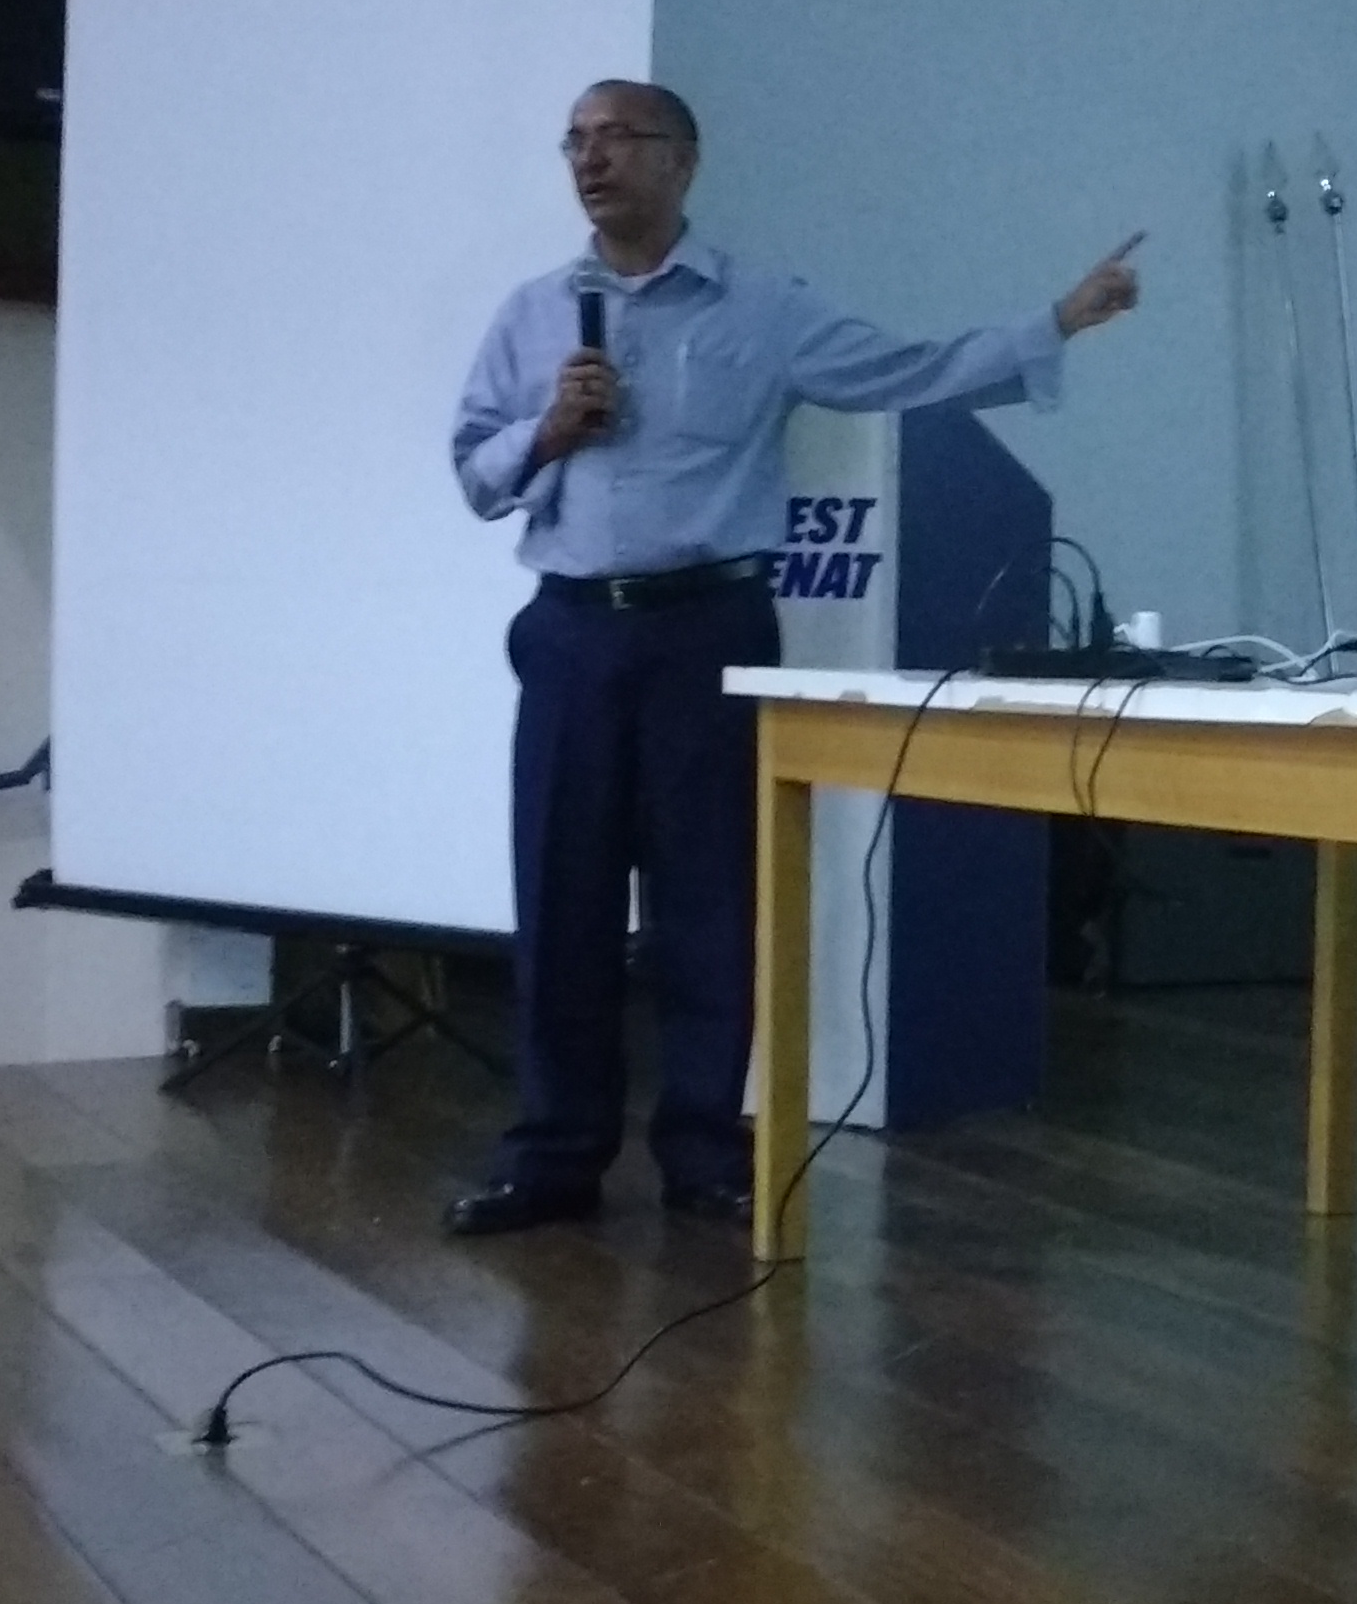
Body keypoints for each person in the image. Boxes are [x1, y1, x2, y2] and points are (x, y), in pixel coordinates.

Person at [440, 78, 1143, 1236]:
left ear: (682, 161)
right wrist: (547, 431)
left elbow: (908, 372)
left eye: (617, 138)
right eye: (576, 140)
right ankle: (553, 1158)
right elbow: (473, 473)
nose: (590, 158)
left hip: (708, 632)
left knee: (710, 903)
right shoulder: (531, 314)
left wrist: (1055, 322)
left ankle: (705, 1152)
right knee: (561, 903)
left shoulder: (762, 308)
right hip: (570, 634)